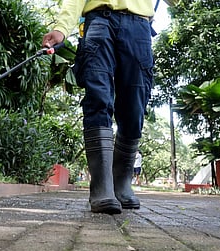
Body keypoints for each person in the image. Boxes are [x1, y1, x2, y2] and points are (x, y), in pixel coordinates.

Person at [42, 1, 154, 214]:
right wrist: (62, 28)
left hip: (139, 26)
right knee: (98, 97)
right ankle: (102, 187)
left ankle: (121, 184)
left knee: (135, 105)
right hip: (98, 22)